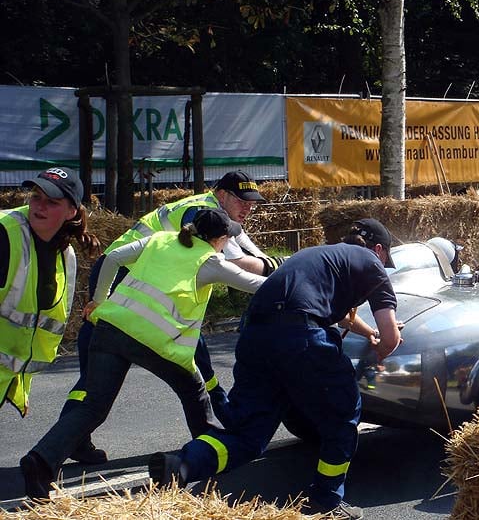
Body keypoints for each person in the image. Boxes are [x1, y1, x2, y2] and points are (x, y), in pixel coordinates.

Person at [147, 218, 403, 520]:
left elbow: (339, 316)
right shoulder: (371, 262)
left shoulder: (319, 255)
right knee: (343, 412)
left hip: (257, 336)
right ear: (378, 249)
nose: (384, 265)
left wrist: (368, 334)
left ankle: (180, 464)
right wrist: (382, 350)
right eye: (386, 259)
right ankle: (326, 500)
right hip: (301, 337)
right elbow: (390, 337)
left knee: (250, 433)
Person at [20, 208, 267, 500]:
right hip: (155, 341)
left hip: (110, 328)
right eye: (227, 240)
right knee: (195, 391)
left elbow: (110, 257)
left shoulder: (160, 239)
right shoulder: (210, 260)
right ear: (219, 239)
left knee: (93, 406)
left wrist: (99, 300)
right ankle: (209, 451)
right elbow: (258, 285)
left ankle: (40, 461)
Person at [60, 170, 283, 464]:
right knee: (173, 359)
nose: (248, 208)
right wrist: (280, 269)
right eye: (243, 201)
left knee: (107, 367)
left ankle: (71, 437)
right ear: (223, 195)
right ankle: (221, 424)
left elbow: (248, 246)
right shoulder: (204, 211)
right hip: (127, 275)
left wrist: (271, 261)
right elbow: (235, 262)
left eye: (253, 203)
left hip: (130, 271)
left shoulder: (218, 213)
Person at [1, 167, 99, 418]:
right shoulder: (6, 235)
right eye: (36, 197)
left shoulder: (66, 256)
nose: (39, 206)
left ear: (71, 212)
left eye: (51, 202)